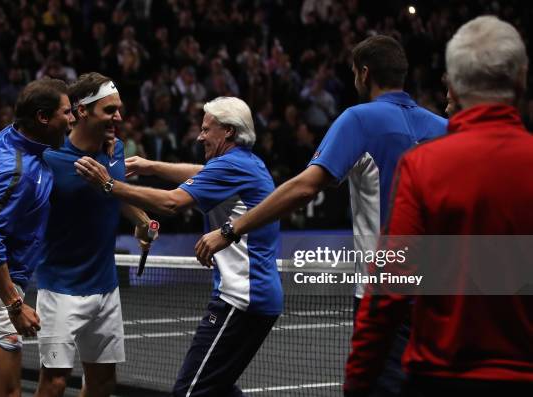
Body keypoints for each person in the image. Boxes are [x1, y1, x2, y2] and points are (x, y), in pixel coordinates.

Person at [194, 35, 447, 396]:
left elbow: (303, 188)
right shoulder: (444, 128)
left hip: (385, 298)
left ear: (364, 73)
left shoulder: (359, 120)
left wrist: (232, 228)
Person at [344, 16, 533, 397]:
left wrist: (358, 380)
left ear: (455, 84)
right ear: (521, 79)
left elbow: (392, 286)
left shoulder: (425, 166)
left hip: (442, 377)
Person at [74, 96, 283, 396]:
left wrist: (108, 185)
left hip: (243, 298)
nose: (200, 136)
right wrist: (151, 166)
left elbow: (171, 203)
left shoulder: (231, 166)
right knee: (217, 387)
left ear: (228, 132)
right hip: (252, 297)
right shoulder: (246, 162)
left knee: (189, 392)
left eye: (206, 129)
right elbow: (199, 174)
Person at [0, 72, 154, 397]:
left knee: (103, 383)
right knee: (54, 383)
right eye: (109, 110)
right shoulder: (47, 154)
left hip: (107, 288)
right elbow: (2, 180)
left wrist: (140, 219)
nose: (118, 117)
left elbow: (113, 192)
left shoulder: (115, 149)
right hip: (59, 287)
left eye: (118, 109)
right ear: (82, 112)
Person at [0, 78, 75, 397]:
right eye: (67, 112)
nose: (72, 119)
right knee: (7, 393)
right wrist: (15, 305)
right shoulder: (19, 172)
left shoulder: (12, 136)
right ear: (43, 118)